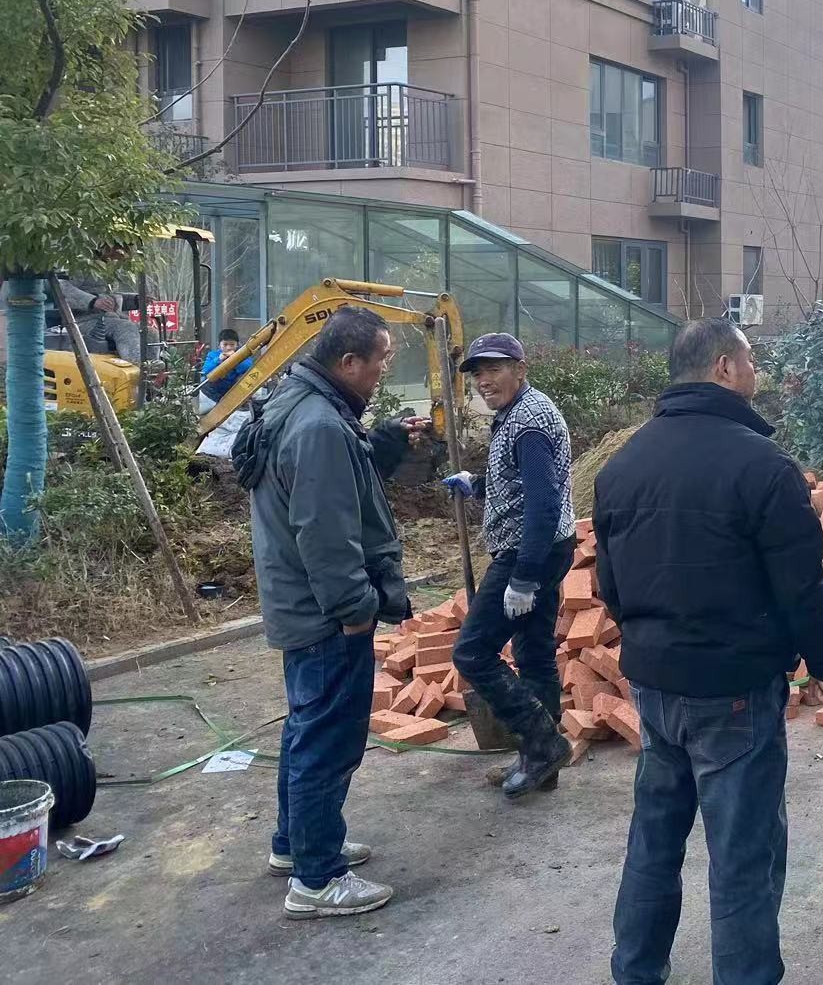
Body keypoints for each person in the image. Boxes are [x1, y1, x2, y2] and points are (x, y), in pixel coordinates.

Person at [595, 318, 823, 985]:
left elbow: (610, 586)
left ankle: (635, 970)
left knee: (654, 839)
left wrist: (652, 642)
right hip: (733, 689)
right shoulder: (763, 466)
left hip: (654, 684)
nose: (755, 371)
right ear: (725, 368)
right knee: (743, 856)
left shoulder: (624, 465)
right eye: (750, 360)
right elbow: (801, 585)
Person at [235, 306, 430, 920]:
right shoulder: (319, 425)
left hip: (298, 602)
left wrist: (382, 444)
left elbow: (338, 483)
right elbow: (324, 530)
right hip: (324, 613)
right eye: (380, 360)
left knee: (306, 729)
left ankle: (296, 845)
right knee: (327, 740)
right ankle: (317, 880)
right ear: (348, 362)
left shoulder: (298, 404)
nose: (383, 370)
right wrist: (354, 609)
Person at [441, 332, 575, 798]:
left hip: (527, 551)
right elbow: (521, 485)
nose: (484, 380)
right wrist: (477, 484)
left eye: (494, 369)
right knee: (534, 653)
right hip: (546, 547)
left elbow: (542, 504)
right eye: (478, 373)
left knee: (472, 653)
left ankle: (544, 744)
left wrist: (523, 577)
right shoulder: (517, 414)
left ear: (520, 369)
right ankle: (541, 762)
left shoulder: (529, 423)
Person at [60, 274, 141, 362]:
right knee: (126, 327)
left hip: (108, 319)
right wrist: (92, 301)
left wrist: (136, 300)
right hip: (80, 322)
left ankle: (148, 366)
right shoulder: (81, 268)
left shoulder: (108, 271)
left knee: (147, 332)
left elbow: (109, 301)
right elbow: (61, 286)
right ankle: (136, 365)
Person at [198, 328, 254, 415]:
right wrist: (218, 360)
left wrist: (234, 359)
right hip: (212, 393)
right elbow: (206, 371)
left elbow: (248, 366)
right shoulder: (213, 355)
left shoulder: (242, 355)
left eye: (232, 344)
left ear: (237, 345)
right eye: (225, 344)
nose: (228, 347)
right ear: (219, 345)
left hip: (232, 392)